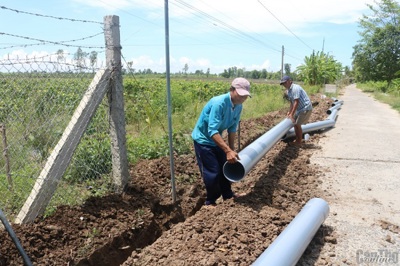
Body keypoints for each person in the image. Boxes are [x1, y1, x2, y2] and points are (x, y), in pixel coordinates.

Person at [192, 77, 251, 207]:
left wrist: (231, 149)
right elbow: (212, 130)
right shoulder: (219, 103)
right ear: (232, 90)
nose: (242, 98)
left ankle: (228, 195)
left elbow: (232, 128)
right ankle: (210, 202)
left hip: (215, 140)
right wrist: (227, 150)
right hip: (204, 140)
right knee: (213, 172)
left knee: (226, 166)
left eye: (245, 96)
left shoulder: (238, 106)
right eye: (240, 95)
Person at [280, 75, 312, 146]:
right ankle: (298, 139)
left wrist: (292, 114)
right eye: (283, 84)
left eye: (285, 83)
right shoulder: (288, 91)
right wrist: (289, 112)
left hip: (305, 108)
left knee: (297, 124)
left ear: (289, 81)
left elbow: (296, 102)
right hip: (300, 109)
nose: (284, 85)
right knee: (295, 124)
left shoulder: (295, 88)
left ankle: (298, 142)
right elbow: (292, 103)